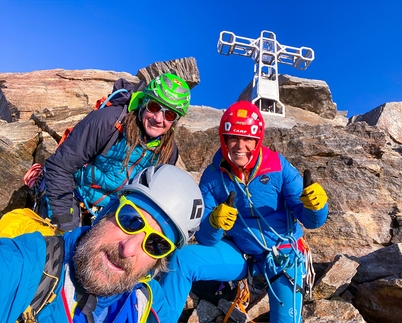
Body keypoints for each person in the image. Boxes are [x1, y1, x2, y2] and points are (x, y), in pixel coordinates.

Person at [160, 101, 329, 323]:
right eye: (233, 138)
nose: (240, 146)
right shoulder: (213, 176)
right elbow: (204, 237)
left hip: (284, 255)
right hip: (239, 253)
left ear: (258, 140)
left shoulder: (278, 166)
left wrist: (318, 206)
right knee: (182, 259)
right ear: (224, 139)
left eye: (248, 139)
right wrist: (213, 222)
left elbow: (311, 220)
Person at [0, 164, 204, 323]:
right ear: (107, 211)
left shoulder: (149, 303)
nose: (128, 249)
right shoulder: (27, 267)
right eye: (131, 220)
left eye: (156, 244)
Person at [42, 73, 191, 231]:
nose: (159, 119)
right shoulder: (109, 122)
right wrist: (64, 222)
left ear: (175, 121)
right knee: (64, 247)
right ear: (143, 102)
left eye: (169, 114)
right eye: (154, 107)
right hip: (74, 194)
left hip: (116, 211)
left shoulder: (168, 151)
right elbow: (60, 167)